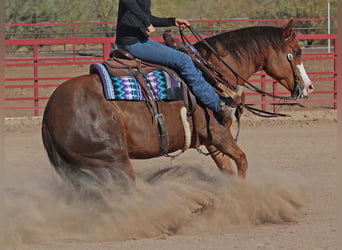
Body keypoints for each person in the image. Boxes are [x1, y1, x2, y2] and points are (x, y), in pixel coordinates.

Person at [115, 0, 236, 126]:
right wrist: (146, 23)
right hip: (133, 44)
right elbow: (131, 5)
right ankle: (217, 105)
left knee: (186, 53)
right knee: (183, 60)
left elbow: (147, 17)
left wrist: (173, 21)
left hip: (140, 41)